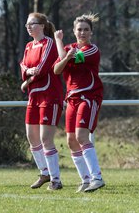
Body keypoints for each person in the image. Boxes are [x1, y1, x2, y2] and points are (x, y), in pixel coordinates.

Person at [53, 13, 105, 192]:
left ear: (91, 33)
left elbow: (70, 59)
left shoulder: (91, 49)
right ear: (74, 32)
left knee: (82, 137)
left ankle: (97, 178)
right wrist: (65, 55)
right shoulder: (69, 48)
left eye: (86, 30)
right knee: (71, 141)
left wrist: (58, 41)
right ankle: (85, 179)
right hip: (72, 99)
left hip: (88, 97)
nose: (82, 32)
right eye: (79, 29)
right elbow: (57, 69)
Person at [20, 12, 64, 190]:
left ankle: (56, 180)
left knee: (46, 139)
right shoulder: (29, 46)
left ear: (42, 25)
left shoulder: (49, 43)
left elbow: (42, 69)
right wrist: (28, 73)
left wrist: (29, 77)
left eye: (32, 23)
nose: (29, 27)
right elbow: (23, 66)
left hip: (49, 96)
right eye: (27, 24)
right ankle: (44, 173)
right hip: (34, 96)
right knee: (32, 138)